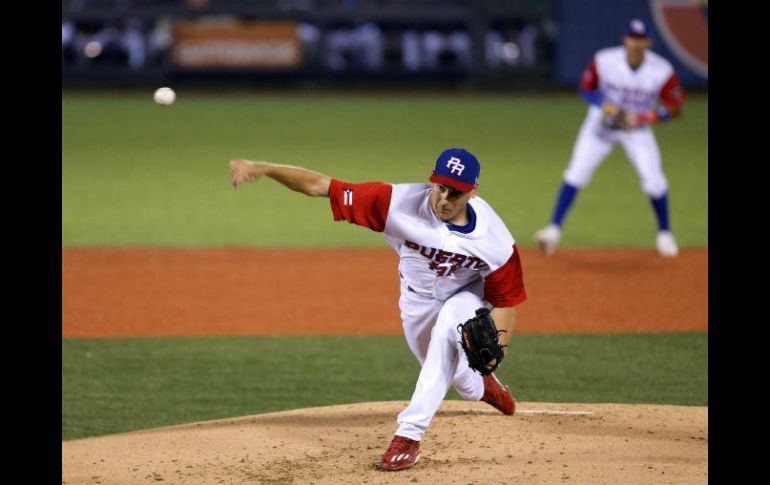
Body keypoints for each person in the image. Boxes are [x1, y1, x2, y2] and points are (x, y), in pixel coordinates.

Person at [229, 147, 527, 471]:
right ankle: (484, 387)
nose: (443, 199)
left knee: (449, 329)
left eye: (454, 193)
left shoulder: (494, 240)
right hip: (416, 302)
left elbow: (507, 298)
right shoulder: (394, 202)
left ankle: (408, 437)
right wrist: (263, 167)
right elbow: (321, 186)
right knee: (455, 376)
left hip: (466, 297)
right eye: (439, 187)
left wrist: (500, 351)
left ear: (472, 191)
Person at [534, 19, 687, 257]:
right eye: (632, 39)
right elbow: (586, 87)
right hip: (600, 126)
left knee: (654, 181)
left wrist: (647, 117)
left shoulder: (661, 70)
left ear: (648, 42)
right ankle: (553, 230)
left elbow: (676, 107)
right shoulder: (605, 60)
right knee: (575, 173)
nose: (636, 44)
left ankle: (665, 234)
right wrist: (600, 103)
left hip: (637, 131)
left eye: (641, 39)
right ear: (625, 40)